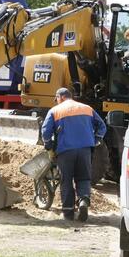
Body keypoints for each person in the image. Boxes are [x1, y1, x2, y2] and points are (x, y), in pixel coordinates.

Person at [42, 87, 106, 222]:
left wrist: (49, 148)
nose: (57, 102)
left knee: (66, 181)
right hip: (85, 150)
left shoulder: (54, 111)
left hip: (65, 151)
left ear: (61, 97)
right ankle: (83, 201)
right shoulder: (87, 108)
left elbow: (46, 132)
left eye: (57, 99)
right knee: (83, 178)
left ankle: (68, 213)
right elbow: (102, 126)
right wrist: (95, 140)